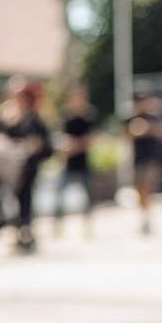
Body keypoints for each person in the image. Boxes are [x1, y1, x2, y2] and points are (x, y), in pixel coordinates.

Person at [1, 77, 53, 254]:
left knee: (25, 200)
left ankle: (25, 232)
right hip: (11, 167)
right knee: (13, 200)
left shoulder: (34, 118)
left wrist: (34, 145)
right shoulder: (11, 116)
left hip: (28, 167)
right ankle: (18, 232)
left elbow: (46, 145)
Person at [54, 83, 97, 239]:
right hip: (68, 162)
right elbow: (61, 138)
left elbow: (91, 138)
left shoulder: (88, 115)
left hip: (83, 161)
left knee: (87, 196)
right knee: (59, 195)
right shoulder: (66, 115)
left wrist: (76, 145)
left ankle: (87, 225)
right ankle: (57, 226)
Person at [127, 91, 162, 236]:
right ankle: (144, 217)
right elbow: (125, 134)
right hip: (137, 160)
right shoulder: (131, 119)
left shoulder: (153, 119)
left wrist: (149, 129)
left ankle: (147, 220)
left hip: (151, 160)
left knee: (147, 188)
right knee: (139, 191)